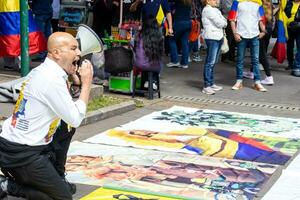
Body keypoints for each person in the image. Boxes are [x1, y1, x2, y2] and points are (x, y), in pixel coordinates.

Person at [0, 32, 93, 200]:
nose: (79, 53)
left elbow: (65, 109)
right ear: (56, 53)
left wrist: (75, 82)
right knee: (62, 198)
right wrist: (87, 84)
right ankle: (9, 186)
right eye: (73, 48)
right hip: (22, 153)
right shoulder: (51, 79)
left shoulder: (46, 71)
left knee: (66, 128)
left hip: (22, 144)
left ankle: (56, 176)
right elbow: (76, 117)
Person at [229, 0, 268, 92]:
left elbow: (261, 19)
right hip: (241, 35)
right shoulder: (236, 2)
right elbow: (231, 19)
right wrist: (235, 33)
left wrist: (263, 31)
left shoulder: (258, 2)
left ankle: (257, 82)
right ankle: (239, 81)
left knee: (255, 60)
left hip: (254, 35)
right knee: (239, 59)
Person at [201, 0, 227, 95]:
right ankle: (206, 85)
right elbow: (221, 23)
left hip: (218, 37)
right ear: (207, 1)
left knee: (214, 62)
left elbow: (224, 21)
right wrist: (223, 21)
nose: (217, 1)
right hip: (212, 38)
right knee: (210, 62)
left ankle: (211, 83)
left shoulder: (215, 10)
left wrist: (223, 21)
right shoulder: (208, 10)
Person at [134, 17, 164, 91]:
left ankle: (145, 83)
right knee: (158, 64)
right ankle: (152, 81)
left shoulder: (139, 35)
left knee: (144, 62)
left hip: (139, 64)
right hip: (155, 66)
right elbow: (161, 53)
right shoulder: (160, 37)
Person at [166, 0, 192, 69]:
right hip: (188, 22)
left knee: (172, 40)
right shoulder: (189, 1)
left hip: (179, 22)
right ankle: (184, 63)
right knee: (185, 42)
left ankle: (175, 61)